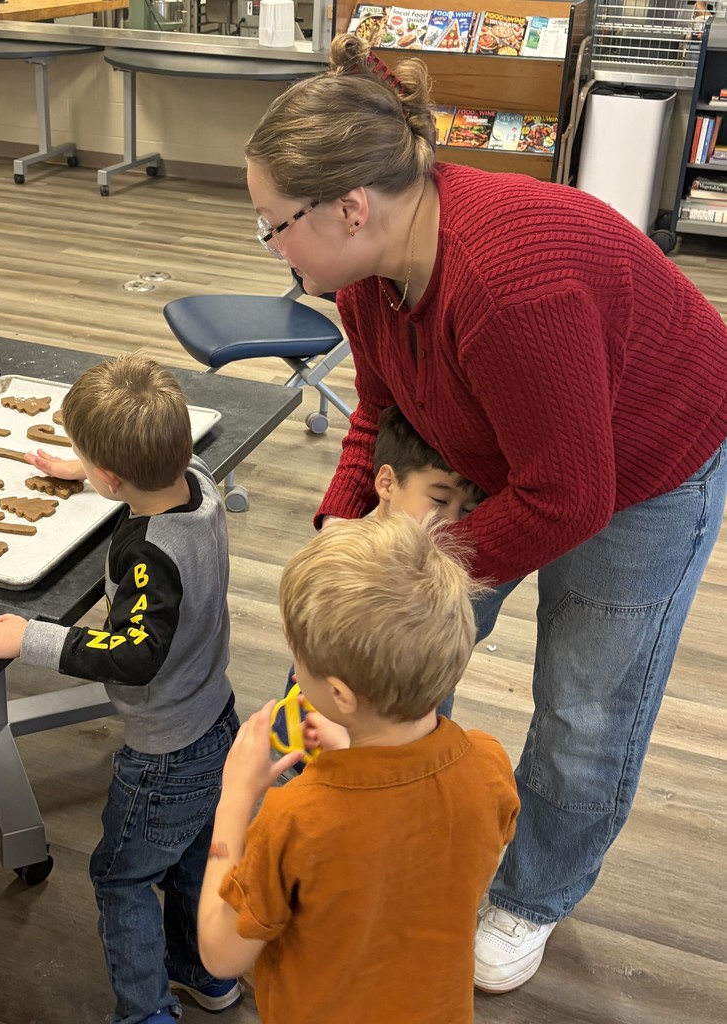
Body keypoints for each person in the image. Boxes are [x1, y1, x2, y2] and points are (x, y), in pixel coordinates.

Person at [243, 31, 727, 993]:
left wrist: (411, 572)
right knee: (384, 649)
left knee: (586, 710)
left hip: (646, 462)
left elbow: (568, 496)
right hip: (509, 438)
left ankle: (530, 894)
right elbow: (382, 407)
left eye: (272, 223)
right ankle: (387, 827)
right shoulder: (366, 275)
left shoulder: (511, 285)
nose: (267, 246)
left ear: (349, 207)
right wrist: (348, 528)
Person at [0, 352, 241, 1024]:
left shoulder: (151, 555)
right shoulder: (199, 482)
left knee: (122, 876)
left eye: (86, 459)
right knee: (193, 854)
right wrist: (90, 472)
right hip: (214, 716)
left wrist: (31, 639)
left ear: (113, 475)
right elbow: (162, 467)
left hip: (165, 750)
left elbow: (135, 655)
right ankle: (204, 975)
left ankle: (145, 1014)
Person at [198, 514, 520, 1023]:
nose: (296, 672)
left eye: (298, 660)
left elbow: (221, 953)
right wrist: (349, 748)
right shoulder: (488, 763)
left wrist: (234, 803)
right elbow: (415, 840)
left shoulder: (293, 817)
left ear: (343, 696)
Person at [274, 403, 485, 759]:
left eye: (466, 511)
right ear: (386, 482)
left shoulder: (438, 587)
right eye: (439, 500)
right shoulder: (347, 561)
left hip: (369, 752)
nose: (451, 522)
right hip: (316, 716)